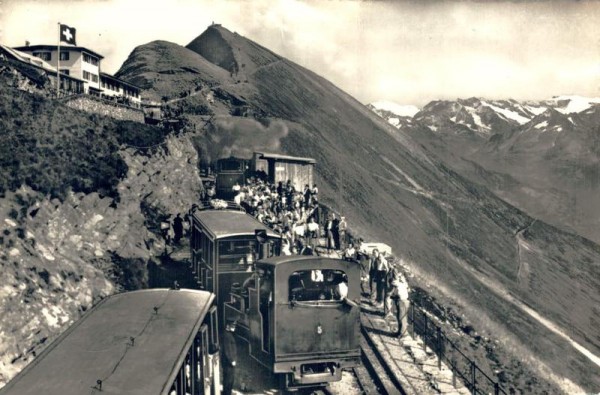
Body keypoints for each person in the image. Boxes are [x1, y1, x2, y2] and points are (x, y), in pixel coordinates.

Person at [385, 265, 411, 338]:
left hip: (402, 301)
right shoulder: (404, 284)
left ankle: (403, 333)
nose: (399, 278)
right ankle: (400, 332)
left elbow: (393, 282)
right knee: (400, 317)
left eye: (401, 277)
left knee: (402, 318)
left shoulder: (400, 283)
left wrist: (397, 277)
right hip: (402, 301)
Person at [222, 319, 238, 395]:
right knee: (228, 381)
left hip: (229, 363)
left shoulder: (228, 334)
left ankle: (228, 393)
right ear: (227, 326)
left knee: (229, 380)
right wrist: (232, 361)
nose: (234, 327)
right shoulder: (227, 336)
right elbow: (227, 350)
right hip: (228, 363)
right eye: (232, 326)